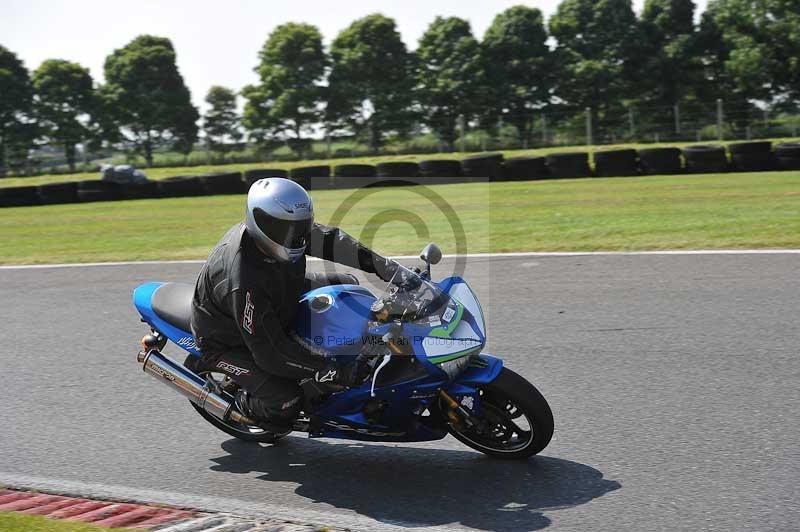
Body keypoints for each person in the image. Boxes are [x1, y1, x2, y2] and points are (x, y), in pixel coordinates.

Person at [190, 177, 398, 430]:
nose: (295, 237)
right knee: (287, 401)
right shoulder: (243, 281)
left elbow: (334, 241)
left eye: (300, 227)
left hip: (279, 290)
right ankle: (245, 405)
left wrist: (385, 267)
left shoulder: (285, 234)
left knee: (347, 285)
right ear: (259, 221)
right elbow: (269, 352)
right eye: (285, 229)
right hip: (230, 341)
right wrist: (327, 369)